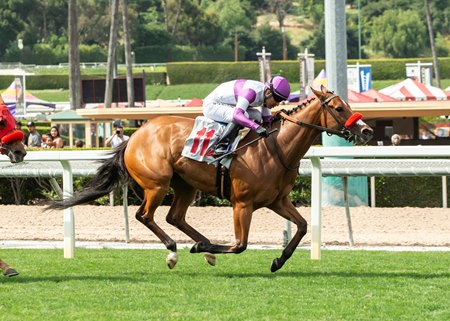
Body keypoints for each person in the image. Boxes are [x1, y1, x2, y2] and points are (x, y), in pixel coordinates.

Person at [202, 76, 291, 156]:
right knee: (244, 115)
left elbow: (267, 119)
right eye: (277, 99)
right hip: (212, 105)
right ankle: (220, 146)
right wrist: (256, 127)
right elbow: (237, 115)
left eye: (281, 100)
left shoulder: (264, 94)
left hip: (228, 104)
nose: (278, 103)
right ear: (268, 92)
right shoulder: (251, 92)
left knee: (257, 115)